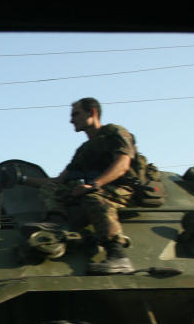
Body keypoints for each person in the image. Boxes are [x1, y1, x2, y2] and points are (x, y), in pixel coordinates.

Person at [38, 97, 139, 274]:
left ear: (92, 113)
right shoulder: (84, 150)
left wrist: (94, 185)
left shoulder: (114, 133)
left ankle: (118, 255)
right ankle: (57, 223)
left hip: (123, 188)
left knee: (92, 197)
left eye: (76, 114)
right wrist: (22, 179)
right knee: (52, 189)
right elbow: (58, 181)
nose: (71, 120)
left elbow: (123, 164)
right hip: (97, 188)